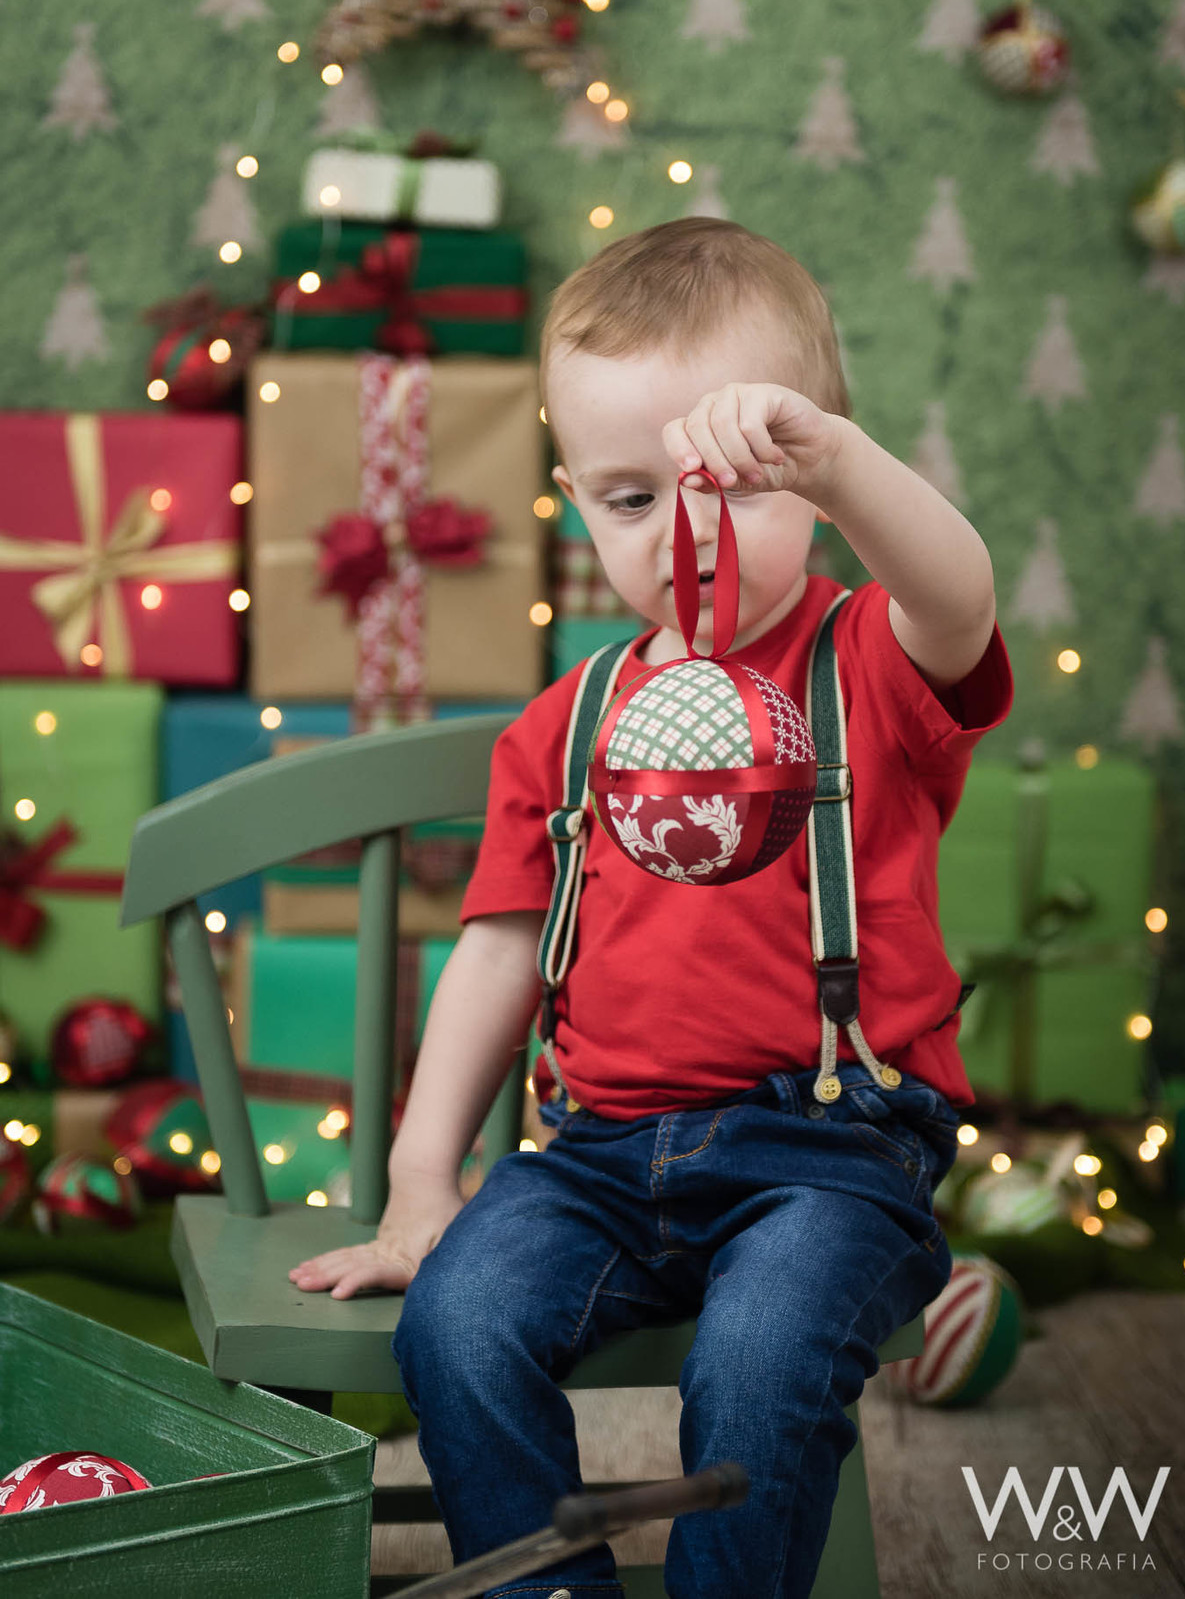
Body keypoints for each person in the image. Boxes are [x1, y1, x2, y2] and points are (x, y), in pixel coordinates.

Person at [289, 217, 1015, 1599]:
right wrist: (421, 1178)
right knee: (458, 1324)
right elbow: (498, 953)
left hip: (828, 1152)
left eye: (734, 484)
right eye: (631, 498)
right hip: (597, 1157)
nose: (687, 532)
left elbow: (960, 596)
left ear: (812, 476)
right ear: (574, 502)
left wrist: (841, 463)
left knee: (760, 1357)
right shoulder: (564, 727)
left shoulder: (868, 660)